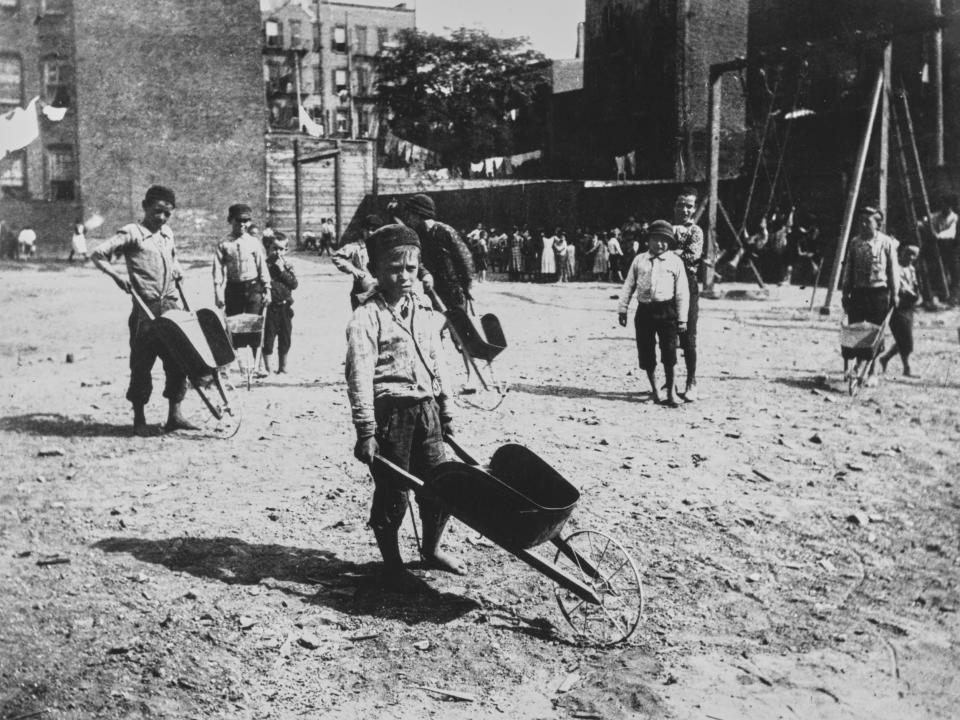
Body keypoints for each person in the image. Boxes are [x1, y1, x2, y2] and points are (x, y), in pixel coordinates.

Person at [345, 223, 463, 583]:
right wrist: (366, 431)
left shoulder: (424, 311)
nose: (403, 276)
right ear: (376, 271)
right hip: (392, 416)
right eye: (394, 269)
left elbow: (437, 360)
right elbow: (359, 377)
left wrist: (447, 408)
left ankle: (431, 549)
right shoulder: (366, 317)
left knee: (441, 486)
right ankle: (393, 563)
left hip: (427, 411)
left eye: (410, 269)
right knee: (393, 493)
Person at [90, 185, 195, 435]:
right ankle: (139, 420)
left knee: (178, 361)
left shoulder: (167, 233)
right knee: (142, 364)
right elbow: (98, 254)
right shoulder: (133, 233)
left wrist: (177, 268)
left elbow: (172, 256)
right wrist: (117, 277)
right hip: (145, 310)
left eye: (167, 214)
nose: (161, 218)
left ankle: (175, 416)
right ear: (145, 206)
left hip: (171, 306)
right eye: (157, 211)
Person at [618, 220, 690, 407]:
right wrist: (623, 308)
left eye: (664, 240)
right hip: (644, 312)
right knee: (646, 351)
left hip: (667, 311)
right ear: (648, 240)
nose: (659, 244)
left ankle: (672, 392)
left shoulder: (675, 262)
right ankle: (655, 391)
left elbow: (682, 292)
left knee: (669, 352)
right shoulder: (639, 260)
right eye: (655, 239)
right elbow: (629, 285)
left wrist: (682, 319)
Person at [841, 206, 900, 386]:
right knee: (857, 330)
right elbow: (848, 269)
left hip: (878, 292)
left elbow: (893, 270)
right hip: (858, 292)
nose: (863, 224)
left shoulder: (886, 243)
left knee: (876, 332)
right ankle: (857, 366)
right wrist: (845, 292)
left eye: (868, 221)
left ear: (878, 224)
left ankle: (872, 371)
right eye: (861, 221)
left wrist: (895, 293)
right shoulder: (855, 243)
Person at [213, 203, 271, 374]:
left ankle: (257, 366)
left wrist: (267, 289)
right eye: (239, 220)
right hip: (233, 288)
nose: (242, 224)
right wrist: (217, 293)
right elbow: (217, 270)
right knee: (233, 327)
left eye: (246, 221)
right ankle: (228, 365)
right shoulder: (224, 243)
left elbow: (262, 268)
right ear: (230, 220)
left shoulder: (254, 242)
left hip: (253, 288)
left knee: (254, 325)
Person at [400, 194, 473, 311]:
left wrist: (467, 288)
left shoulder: (445, 231)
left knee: (459, 324)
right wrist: (424, 274)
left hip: (454, 292)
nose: (408, 219)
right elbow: (417, 260)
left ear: (419, 214)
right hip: (433, 291)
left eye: (410, 215)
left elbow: (465, 259)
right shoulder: (417, 235)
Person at [672, 187, 704, 400]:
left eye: (689, 206)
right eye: (681, 205)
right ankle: (670, 381)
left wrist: (669, 253)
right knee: (667, 335)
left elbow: (692, 255)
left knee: (688, 334)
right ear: (675, 206)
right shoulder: (665, 228)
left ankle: (691, 380)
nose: (685, 209)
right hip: (666, 285)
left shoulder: (696, 231)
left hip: (688, 283)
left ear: (694, 209)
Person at [880, 244, 920, 378]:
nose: (910, 257)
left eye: (913, 255)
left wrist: (917, 295)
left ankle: (886, 358)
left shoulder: (912, 269)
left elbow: (914, 285)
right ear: (902, 253)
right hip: (896, 306)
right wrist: (910, 293)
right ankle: (907, 368)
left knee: (905, 339)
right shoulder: (895, 268)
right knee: (906, 340)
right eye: (908, 253)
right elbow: (899, 286)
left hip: (908, 307)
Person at [261, 234, 298, 374]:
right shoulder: (265, 265)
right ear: (269, 248)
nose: (277, 252)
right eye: (274, 248)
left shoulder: (287, 265)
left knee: (285, 338)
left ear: (286, 250)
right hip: (271, 307)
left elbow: (294, 284)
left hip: (285, 307)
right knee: (268, 338)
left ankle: (282, 367)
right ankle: (268, 369)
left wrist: (282, 270)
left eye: (281, 249)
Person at [332, 214, 381, 310]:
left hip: (380, 291)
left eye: (374, 230)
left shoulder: (383, 247)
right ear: (363, 230)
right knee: (360, 320)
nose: (371, 233)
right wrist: (353, 269)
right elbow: (336, 257)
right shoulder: (355, 247)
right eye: (368, 229)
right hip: (360, 291)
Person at [929, 195, 958, 302]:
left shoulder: (954, 217)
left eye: (947, 205)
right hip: (940, 247)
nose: (944, 207)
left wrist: (938, 235)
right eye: (943, 205)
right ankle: (942, 293)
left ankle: (954, 295)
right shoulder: (937, 216)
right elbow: (928, 220)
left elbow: (951, 232)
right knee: (941, 270)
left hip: (952, 247)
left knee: (954, 270)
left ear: (950, 206)